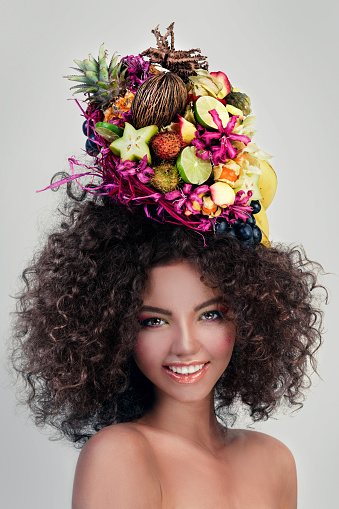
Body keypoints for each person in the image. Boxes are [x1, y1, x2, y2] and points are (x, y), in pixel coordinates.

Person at [10, 24, 325, 508]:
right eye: (153, 320)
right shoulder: (120, 455)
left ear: (253, 314)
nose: (185, 345)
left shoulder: (274, 460)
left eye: (211, 313)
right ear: (109, 330)